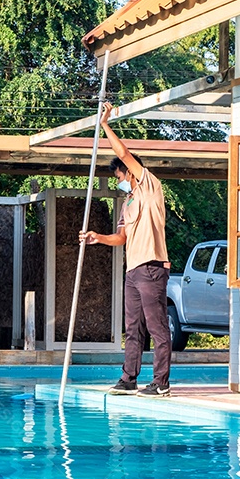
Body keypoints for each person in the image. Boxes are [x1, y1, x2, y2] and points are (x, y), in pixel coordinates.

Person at [80, 102, 171, 397]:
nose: (118, 182)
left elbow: (123, 154)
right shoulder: (127, 202)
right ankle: (129, 377)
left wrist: (104, 124)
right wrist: (98, 238)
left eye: (119, 177)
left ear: (130, 174)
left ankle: (161, 382)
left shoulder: (149, 187)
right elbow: (122, 237)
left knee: (156, 326)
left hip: (152, 266)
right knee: (133, 327)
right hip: (133, 270)